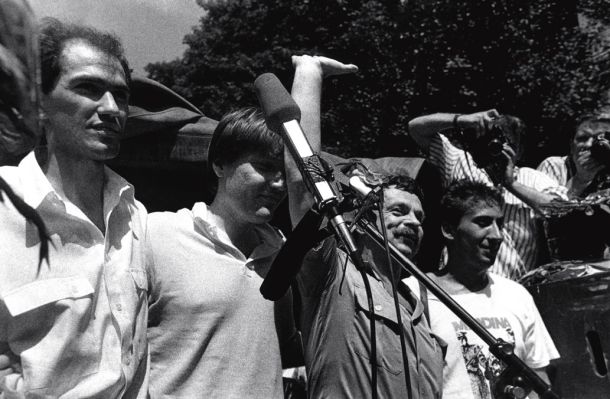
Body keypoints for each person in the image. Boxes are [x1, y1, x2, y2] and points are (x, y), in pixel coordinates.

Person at [0, 18, 148, 398]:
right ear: (39, 103)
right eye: (89, 88)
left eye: (121, 94)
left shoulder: (135, 216)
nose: (112, 108)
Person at [286, 55, 444, 398]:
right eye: (399, 211)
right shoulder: (333, 273)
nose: (413, 223)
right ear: (364, 218)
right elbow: (303, 181)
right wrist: (309, 74)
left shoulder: (419, 306)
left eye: (420, 217)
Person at [146, 107, 299, 398]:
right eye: (265, 167)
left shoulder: (280, 253)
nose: (280, 183)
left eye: (285, 172)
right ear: (219, 164)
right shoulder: (157, 233)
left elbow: (284, 349)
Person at [405, 179, 559, 399]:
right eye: (483, 222)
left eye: (500, 224)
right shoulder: (413, 294)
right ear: (449, 230)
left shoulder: (516, 295)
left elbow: (538, 376)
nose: (497, 235)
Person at [408, 111, 565, 280]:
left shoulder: (532, 179)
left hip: (511, 289)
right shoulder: (462, 163)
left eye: (506, 143)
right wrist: (462, 120)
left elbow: (562, 210)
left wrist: (511, 183)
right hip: (457, 284)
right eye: (491, 141)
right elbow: (416, 128)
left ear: (519, 150)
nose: (496, 148)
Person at [537, 115, 610, 198]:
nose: (589, 144)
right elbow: (545, 207)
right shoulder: (554, 166)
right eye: (582, 138)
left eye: (600, 139)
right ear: (572, 146)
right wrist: (580, 179)